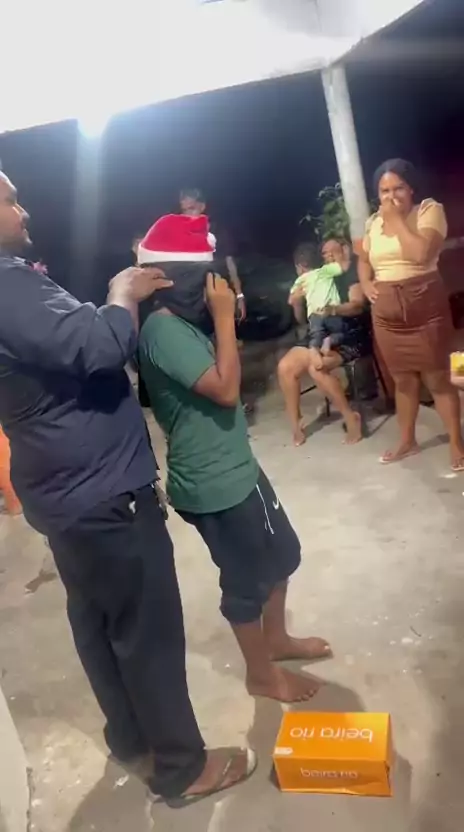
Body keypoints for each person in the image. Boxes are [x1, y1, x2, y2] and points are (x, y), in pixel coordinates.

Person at [0, 171, 256, 804]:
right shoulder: (6, 286)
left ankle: (133, 739)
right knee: (147, 630)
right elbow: (97, 345)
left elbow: (60, 346)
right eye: (8, 200)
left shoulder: (16, 282)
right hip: (101, 490)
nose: (22, 209)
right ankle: (182, 768)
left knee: (99, 621)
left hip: (62, 491)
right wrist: (120, 293)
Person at [137, 214, 331, 704]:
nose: (213, 288)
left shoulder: (183, 324)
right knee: (246, 583)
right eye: (204, 279)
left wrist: (221, 321)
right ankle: (260, 676)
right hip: (212, 484)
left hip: (237, 468)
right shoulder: (162, 331)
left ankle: (277, 640)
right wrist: (224, 319)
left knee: (283, 554)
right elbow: (226, 390)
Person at [358, 158, 464, 470]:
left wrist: (397, 222)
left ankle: (456, 444)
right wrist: (366, 283)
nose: (391, 196)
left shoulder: (429, 211)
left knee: (438, 378)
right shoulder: (373, 222)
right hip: (387, 316)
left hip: (425, 308)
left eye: (398, 188)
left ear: (411, 189)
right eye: (384, 191)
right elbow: (364, 259)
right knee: (402, 380)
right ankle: (407, 440)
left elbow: (421, 254)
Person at [278, 239, 369, 446]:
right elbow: (303, 320)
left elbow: (357, 306)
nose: (328, 256)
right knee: (285, 367)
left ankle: (350, 417)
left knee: (317, 367)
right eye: (325, 253)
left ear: (344, 250)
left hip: (347, 333)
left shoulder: (348, 274)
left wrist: (333, 310)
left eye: (332, 252)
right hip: (318, 334)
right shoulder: (316, 277)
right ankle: (296, 423)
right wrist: (298, 302)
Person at [179, 187, 246, 322]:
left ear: (202, 206)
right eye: (184, 210)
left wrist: (239, 296)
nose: (187, 214)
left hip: (219, 293)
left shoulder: (219, 232)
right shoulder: (181, 233)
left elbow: (230, 264)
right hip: (192, 301)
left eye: (191, 208)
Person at [290, 243, 347, 369]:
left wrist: (295, 298)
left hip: (315, 314)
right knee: (340, 333)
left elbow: (292, 299)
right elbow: (343, 267)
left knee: (316, 336)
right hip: (331, 311)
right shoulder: (325, 271)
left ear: (299, 266)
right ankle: (329, 341)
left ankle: (314, 349)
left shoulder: (301, 280)